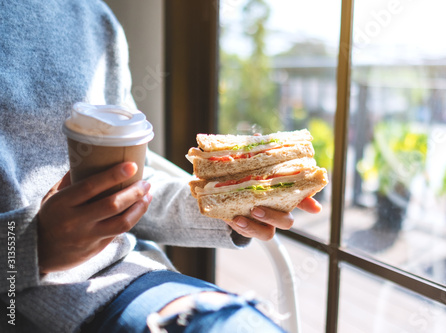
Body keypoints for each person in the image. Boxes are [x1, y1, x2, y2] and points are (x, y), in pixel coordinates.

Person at [0, 1, 321, 332]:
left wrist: (227, 202)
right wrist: (32, 245)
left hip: (128, 282)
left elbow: (130, 188)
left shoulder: (93, 17)